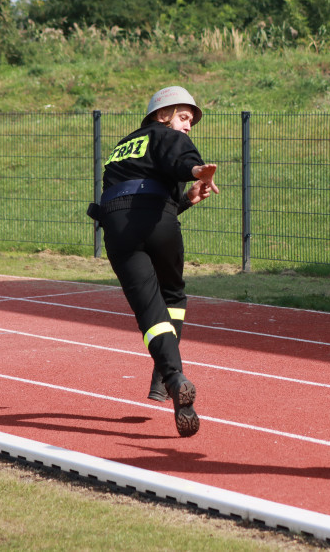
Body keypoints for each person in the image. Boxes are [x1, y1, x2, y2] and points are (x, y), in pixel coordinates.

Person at [86, 86, 218, 438]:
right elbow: (179, 156)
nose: (188, 126)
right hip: (155, 221)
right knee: (172, 295)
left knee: (148, 309)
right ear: (163, 115)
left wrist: (188, 198)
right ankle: (163, 375)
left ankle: (172, 377)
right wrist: (197, 171)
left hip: (116, 222)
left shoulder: (122, 148)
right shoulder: (165, 135)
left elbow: (145, 187)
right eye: (184, 117)